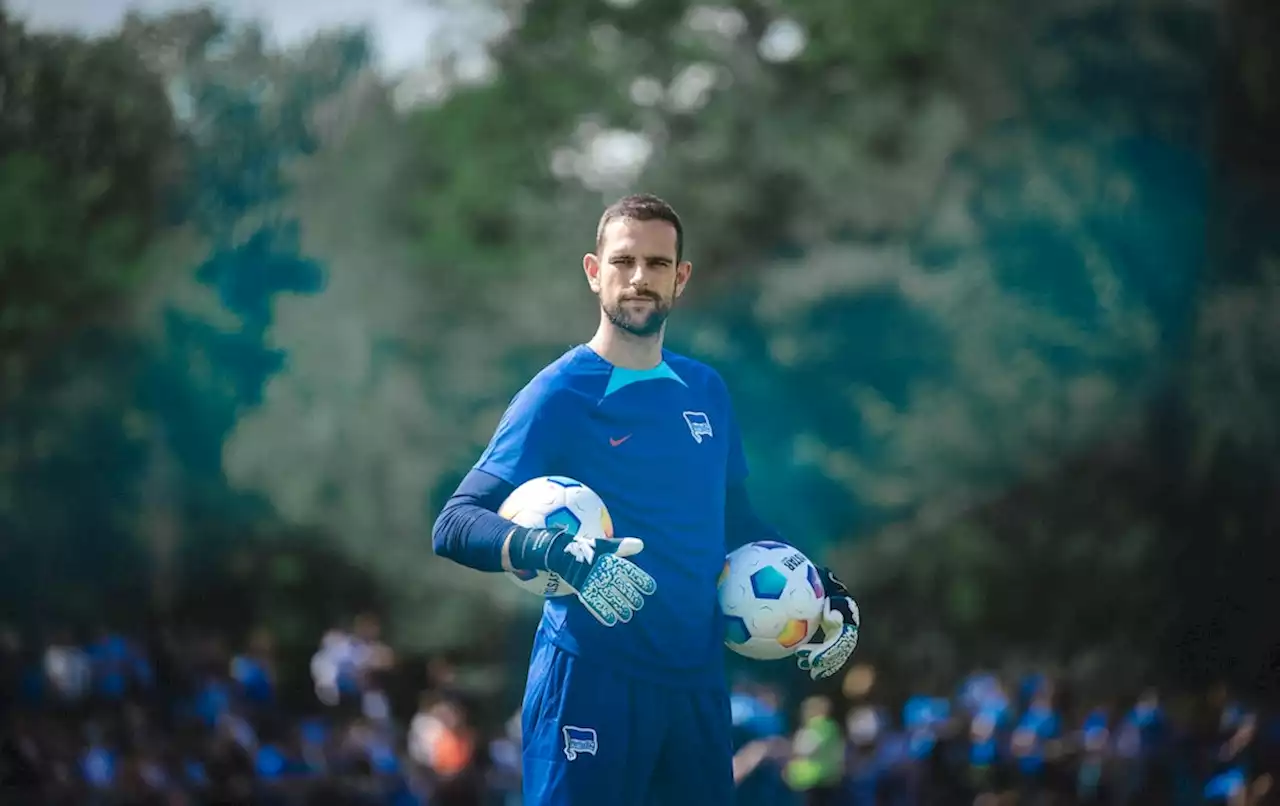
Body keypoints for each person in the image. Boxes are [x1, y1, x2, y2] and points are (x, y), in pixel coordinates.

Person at [431, 193, 861, 806]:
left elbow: (737, 524)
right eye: (624, 261)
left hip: (696, 687)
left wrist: (817, 587)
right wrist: (556, 551)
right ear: (593, 271)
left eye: (658, 264)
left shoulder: (706, 391)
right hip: (590, 677)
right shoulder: (557, 393)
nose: (639, 278)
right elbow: (455, 523)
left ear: (680, 278)